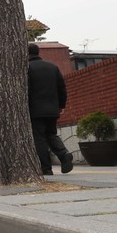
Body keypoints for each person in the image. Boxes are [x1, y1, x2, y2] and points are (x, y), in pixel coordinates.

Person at [28, 43, 74, 175]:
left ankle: (45, 168)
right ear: (38, 52)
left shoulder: (27, 68)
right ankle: (64, 154)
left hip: (35, 110)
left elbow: (26, 90)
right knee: (51, 134)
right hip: (52, 109)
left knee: (39, 138)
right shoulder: (53, 67)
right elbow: (62, 88)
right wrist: (61, 106)